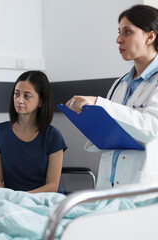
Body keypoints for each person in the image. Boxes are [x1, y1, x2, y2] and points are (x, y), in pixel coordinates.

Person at [66, 4, 158, 189]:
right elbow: (113, 130)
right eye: (119, 32)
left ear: (150, 36)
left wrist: (99, 103)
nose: (118, 39)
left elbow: (153, 128)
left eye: (127, 32)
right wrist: (91, 121)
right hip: (108, 184)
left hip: (143, 186)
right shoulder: (120, 84)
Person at [0, 71, 67, 194]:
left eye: (27, 96)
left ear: (40, 101)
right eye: (16, 94)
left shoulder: (53, 136)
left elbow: (52, 186)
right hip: (13, 200)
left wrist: (22, 197)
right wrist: (6, 198)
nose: (19, 100)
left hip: (47, 198)